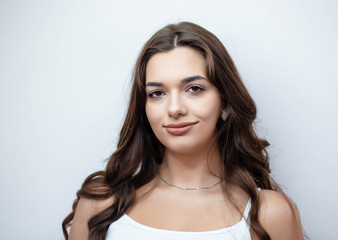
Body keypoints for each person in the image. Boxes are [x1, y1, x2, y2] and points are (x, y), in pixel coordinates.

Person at [62, 22, 304, 240]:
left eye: (194, 88)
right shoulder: (101, 205)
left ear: (225, 101)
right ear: (144, 108)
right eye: (157, 93)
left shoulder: (270, 213)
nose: (175, 109)